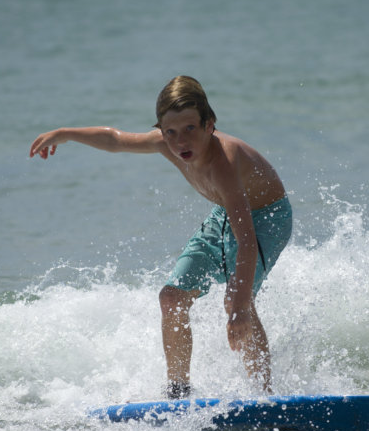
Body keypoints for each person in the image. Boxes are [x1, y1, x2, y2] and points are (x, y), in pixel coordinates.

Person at [29, 76, 292, 398]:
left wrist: (239, 306)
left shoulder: (224, 162)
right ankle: (178, 393)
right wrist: (64, 134)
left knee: (236, 302)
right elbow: (115, 139)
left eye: (190, 129)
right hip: (225, 214)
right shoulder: (166, 145)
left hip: (266, 220)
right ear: (161, 130)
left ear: (210, 125)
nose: (181, 141)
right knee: (172, 298)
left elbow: (247, 242)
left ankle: (266, 396)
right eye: (170, 132)